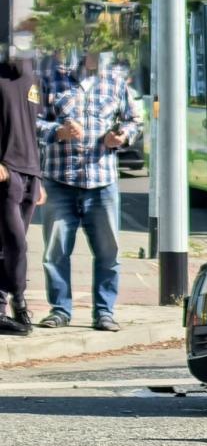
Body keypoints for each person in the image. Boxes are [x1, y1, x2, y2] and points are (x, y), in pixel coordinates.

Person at [35, 50, 141, 332]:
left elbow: (134, 121)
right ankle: (60, 310)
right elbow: (32, 121)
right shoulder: (51, 79)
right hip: (60, 180)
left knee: (109, 252)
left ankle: (104, 312)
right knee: (55, 252)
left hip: (102, 181)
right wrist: (58, 131)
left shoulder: (116, 83)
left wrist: (121, 136)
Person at [0, 52, 45, 334]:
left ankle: (9, 306)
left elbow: (34, 130)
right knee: (15, 244)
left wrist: (39, 178)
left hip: (30, 172)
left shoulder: (33, 75)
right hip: (6, 171)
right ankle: (19, 300)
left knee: (11, 247)